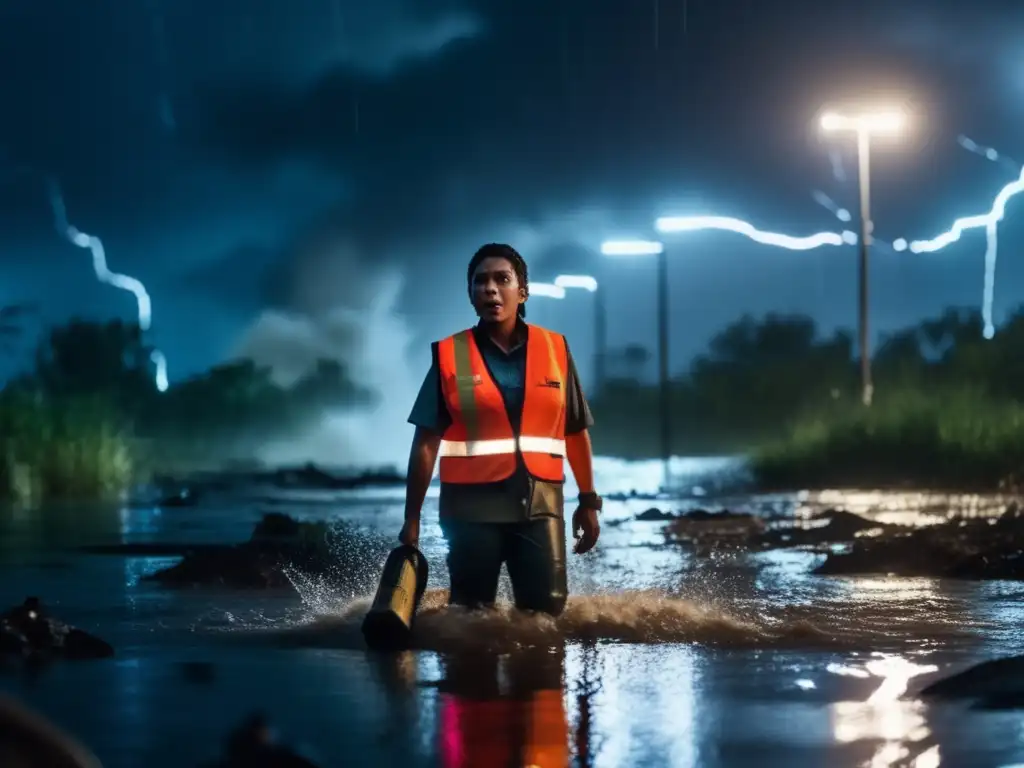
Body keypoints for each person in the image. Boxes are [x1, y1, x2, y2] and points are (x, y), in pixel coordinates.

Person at [399, 242, 602, 616]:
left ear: (522, 291)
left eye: (501, 279)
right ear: (470, 295)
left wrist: (588, 502)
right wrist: (411, 519)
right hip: (469, 512)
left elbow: (575, 432)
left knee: (547, 616)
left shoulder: (555, 349)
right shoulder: (450, 354)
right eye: (480, 282)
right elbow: (426, 443)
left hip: (540, 505)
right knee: (471, 621)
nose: (490, 288)